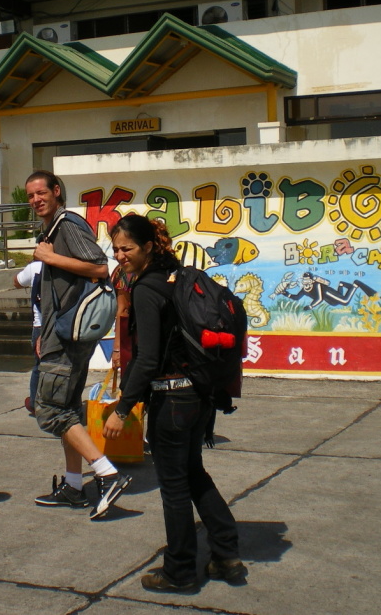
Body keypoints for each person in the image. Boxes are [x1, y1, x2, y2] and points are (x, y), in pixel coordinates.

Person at [103, 215, 246, 593]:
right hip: (198, 395)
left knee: (175, 488)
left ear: (148, 246)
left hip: (172, 400)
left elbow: (148, 358)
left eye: (127, 248)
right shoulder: (177, 277)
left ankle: (180, 570)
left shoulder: (147, 289)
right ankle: (226, 554)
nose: (120, 256)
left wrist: (122, 409)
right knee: (193, 473)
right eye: (116, 248)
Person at [25, 169, 131, 520]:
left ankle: (106, 473)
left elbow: (100, 267)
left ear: (57, 191)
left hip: (68, 334)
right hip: (60, 331)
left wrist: (49, 257)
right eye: (30, 196)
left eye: (42, 193)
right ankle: (73, 485)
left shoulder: (67, 223)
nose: (36, 200)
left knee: (50, 410)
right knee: (67, 408)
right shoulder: (53, 228)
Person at [13, 259, 43, 413]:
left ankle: (34, 402)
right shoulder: (65, 264)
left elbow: (17, 281)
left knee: (39, 365)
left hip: (40, 325)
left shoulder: (34, 267)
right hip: (61, 324)